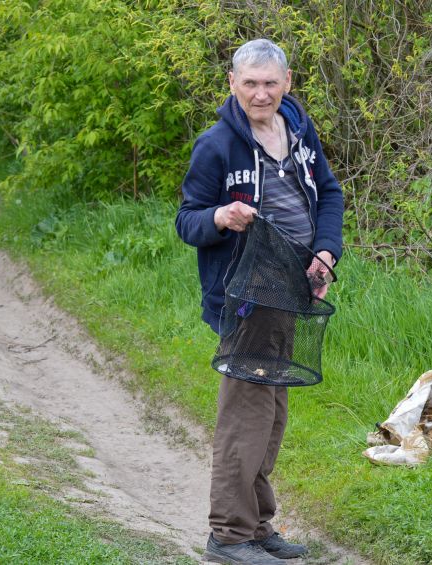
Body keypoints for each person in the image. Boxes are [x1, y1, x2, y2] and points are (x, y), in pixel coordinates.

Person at [175, 38, 344, 565]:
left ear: (287, 82)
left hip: (293, 292)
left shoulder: (299, 129)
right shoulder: (216, 146)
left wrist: (325, 252)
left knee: (271, 414)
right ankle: (227, 535)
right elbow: (187, 220)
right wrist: (220, 217)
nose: (261, 93)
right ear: (233, 84)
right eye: (250, 83)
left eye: (271, 83)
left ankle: (257, 524)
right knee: (245, 415)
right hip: (244, 297)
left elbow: (330, 194)